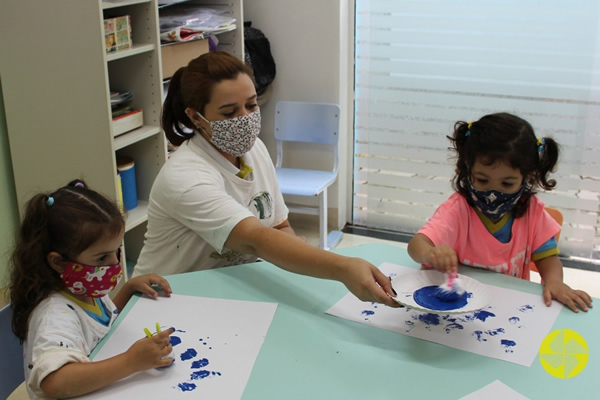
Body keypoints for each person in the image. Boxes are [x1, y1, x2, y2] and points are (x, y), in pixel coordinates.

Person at [132, 51, 398, 307]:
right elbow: (255, 239)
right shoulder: (186, 177)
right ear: (195, 117)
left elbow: (279, 226)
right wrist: (344, 267)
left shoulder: (254, 150)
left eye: (251, 105)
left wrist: (299, 257)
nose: (245, 119)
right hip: (167, 298)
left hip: (229, 289)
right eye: (229, 113)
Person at [407, 112, 593, 313]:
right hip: (460, 308)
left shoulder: (532, 212)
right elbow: (416, 245)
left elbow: (547, 257)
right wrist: (430, 253)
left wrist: (555, 281)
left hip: (509, 309)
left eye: (507, 183)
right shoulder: (457, 210)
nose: (493, 192)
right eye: (482, 180)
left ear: (527, 177)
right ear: (468, 169)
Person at [9, 180, 174, 400]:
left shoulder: (85, 290)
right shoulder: (53, 316)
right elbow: (55, 383)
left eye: (117, 251)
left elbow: (94, 329)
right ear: (58, 262)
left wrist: (127, 290)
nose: (115, 263)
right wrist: (130, 361)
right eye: (102, 257)